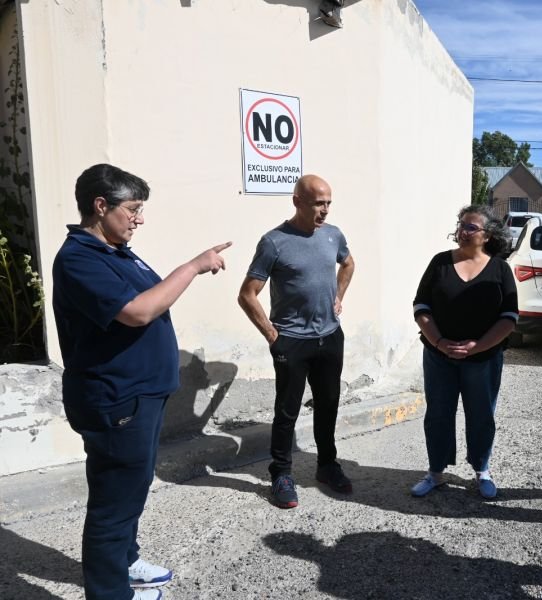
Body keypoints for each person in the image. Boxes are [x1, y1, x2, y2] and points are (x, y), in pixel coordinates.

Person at [52, 164, 230, 600]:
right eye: (132, 209)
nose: (139, 219)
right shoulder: (78, 258)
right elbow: (138, 311)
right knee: (112, 506)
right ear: (101, 206)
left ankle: (126, 562)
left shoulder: (117, 250)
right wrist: (192, 266)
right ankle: (111, 593)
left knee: (130, 490)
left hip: (140, 397)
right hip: (114, 400)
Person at [238, 174, 355, 509]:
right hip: (292, 340)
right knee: (287, 410)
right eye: (319, 203)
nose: (325, 210)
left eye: (329, 203)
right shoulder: (274, 242)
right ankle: (281, 473)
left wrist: (339, 296)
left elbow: (348, 263)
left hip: (330, 336)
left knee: (328, 404)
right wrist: (273, 335)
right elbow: (247, 295)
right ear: (298, 202)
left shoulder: (333, 235)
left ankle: (327, 465)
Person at [410, 205, 518, 499]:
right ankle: (435, 472)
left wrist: (477, 347)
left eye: (471, 227)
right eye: (461, 224)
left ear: (487, 235)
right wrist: (439, 342)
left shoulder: (499, 269)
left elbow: (509, 318)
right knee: (438, 414)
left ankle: (482, 470)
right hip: (439, 357)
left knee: (482, 414)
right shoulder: (440, 263)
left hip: (483, 359)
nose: (463, 230)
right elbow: (421, 307)